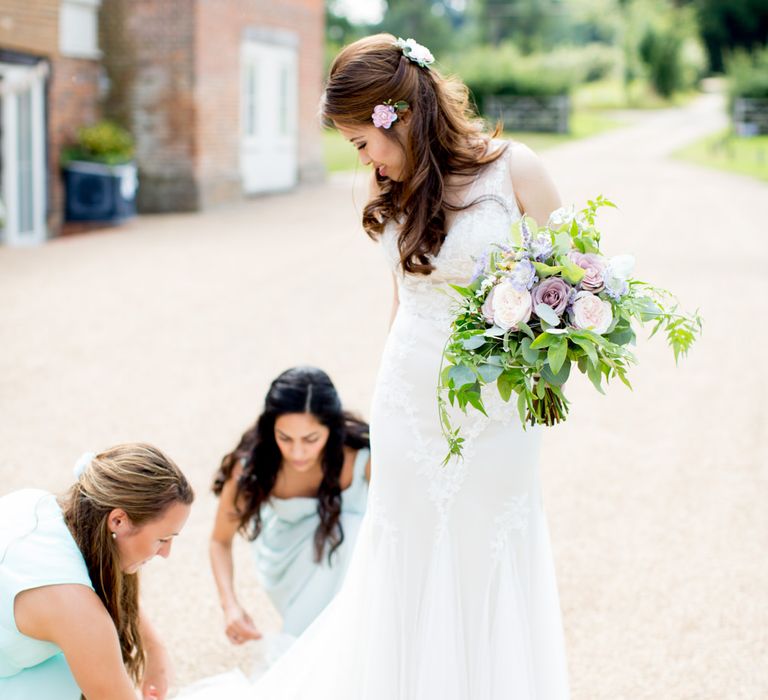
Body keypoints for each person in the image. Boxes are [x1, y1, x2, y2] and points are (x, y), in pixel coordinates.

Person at [180, 33, 569, 699]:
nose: (364, 161)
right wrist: (390, 411)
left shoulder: (517, 170)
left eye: (363, 142)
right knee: (411, 555)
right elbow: (402, 304)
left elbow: (575, 281)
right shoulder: (396, 187)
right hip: (411, 403)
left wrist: (541, 365)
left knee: (492, 544)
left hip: (501, 410)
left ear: (400, 115)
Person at [0, 443, 194, 700]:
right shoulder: (74, 607)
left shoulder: (38, 504)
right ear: (118, 521)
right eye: (163, 539)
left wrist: (155, 649)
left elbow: (106, 579)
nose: (166, 553)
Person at [209, 366, 370, 644]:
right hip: (287, 562)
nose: (297, 453)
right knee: (350, 534)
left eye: (310, 439)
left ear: (332, 428)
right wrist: (230, 606)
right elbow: (219, 541)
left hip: (356, 566)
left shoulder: (363, 458)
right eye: (284, 438)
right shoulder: (253, 466)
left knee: (358, 534)